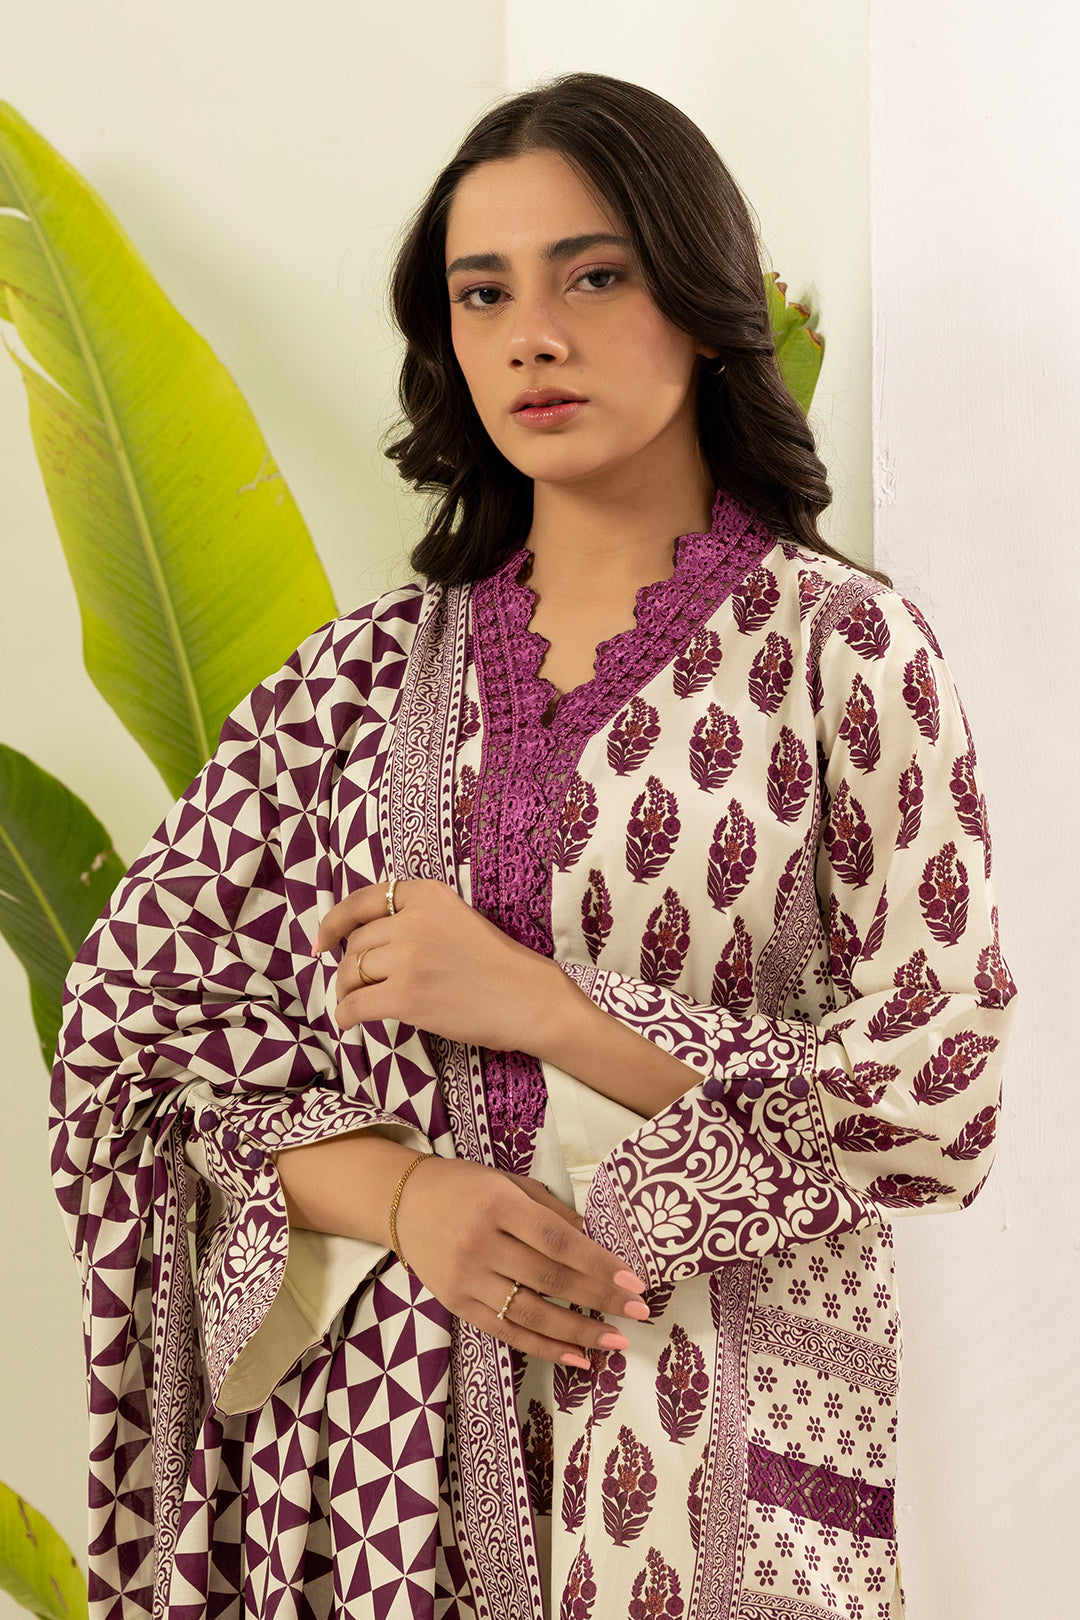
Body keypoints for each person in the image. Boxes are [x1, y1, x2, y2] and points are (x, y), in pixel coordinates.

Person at [50, 73, 1016, 1620]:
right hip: (367, 1495)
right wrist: (403, 1197)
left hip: (712, 1463)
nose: (532, 337)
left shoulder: (844, 654)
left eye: (595, 276)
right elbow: (127, 1058)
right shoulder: (348, 685)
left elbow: (936, 1098)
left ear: (705, 305)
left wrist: (549, 1010)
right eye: (482, 293)